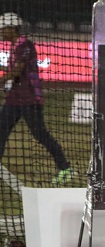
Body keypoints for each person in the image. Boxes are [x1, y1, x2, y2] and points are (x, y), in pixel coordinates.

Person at [0, 12, 72, 185]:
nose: (1, 32)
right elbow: (13, 69)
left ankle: (65, 169)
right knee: (1, 132)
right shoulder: (15, 46)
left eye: (4, 29)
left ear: (12, 28)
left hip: (29, 99)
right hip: (14, 99)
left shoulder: (25, 45)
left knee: (40, 134)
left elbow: (17, 71)